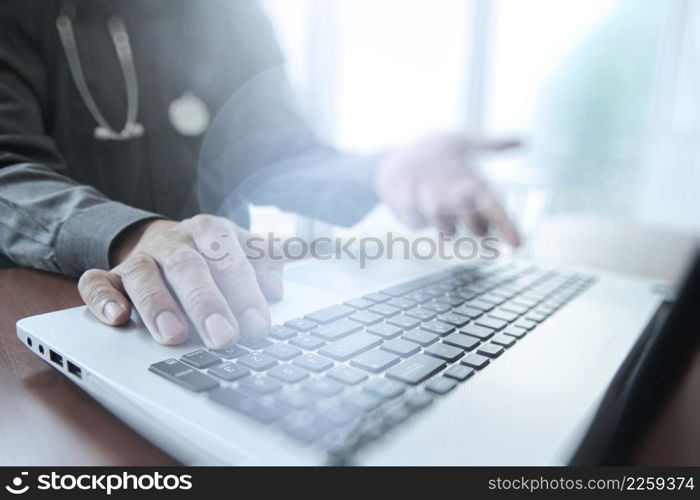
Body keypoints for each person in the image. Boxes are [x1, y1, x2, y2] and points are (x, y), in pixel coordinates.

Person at [0, 0, 519, 350]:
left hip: (232, 310)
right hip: (71, 316)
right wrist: (135, 235)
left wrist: (382, 169)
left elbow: (276, 149)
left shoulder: (233, 13)